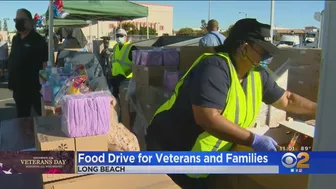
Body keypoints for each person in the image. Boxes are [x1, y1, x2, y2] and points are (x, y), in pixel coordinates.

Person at [146, 18, 317, 189]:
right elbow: (208, 118)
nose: (268, 57)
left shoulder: (256, 74)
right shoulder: (214, 68)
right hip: (171, 149)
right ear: (243, 48)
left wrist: (321, 111)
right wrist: (254, 140)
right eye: (263, 52)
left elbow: (287, 100)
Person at [8, 9, 48, 118]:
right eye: (16, 20)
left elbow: (45, 64)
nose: (18, 22)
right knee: (22, 118)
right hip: (19, 89)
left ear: (30, 22)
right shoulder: (15, 39)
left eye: (22, 20)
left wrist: (44, 87)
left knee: (40, 117)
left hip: (35, 88)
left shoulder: (39, 40)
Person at [110, 28, 137, 100]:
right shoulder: (115, 47)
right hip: (115, 76)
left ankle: (124, 111)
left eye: (121, 36)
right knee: (114, 100)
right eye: (117, 36)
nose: (119, 38)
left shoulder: (130, 47)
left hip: (125, 78)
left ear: (126, 37)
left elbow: (137, 63)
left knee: (123, 101)